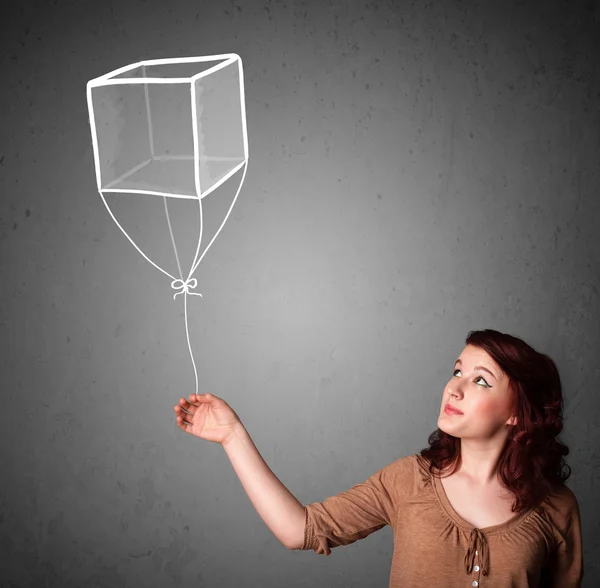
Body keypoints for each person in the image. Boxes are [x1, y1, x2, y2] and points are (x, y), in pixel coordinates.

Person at [173, 328, 583, 587]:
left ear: (516, 411)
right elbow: (300, 529)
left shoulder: (557, 508)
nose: (454, 388)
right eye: (457, 371)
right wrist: (232, 436)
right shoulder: (407, 480)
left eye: (480, 380)